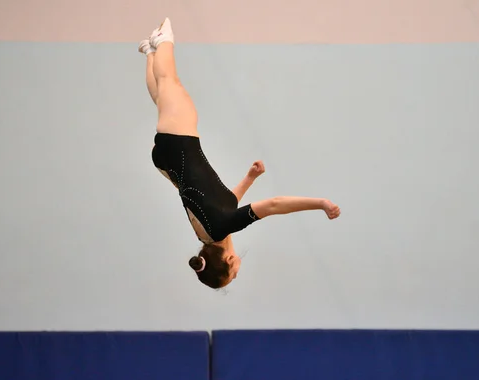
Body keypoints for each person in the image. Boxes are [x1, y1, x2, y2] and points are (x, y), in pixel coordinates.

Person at [138, 18, 341, 289]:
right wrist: (250, 178)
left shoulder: (224, 225)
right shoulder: (208, 233)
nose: (237, 274)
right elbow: (223, 200)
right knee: (162, 98)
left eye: (233, 275)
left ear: (230, 260)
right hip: (167, 160)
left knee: (170, 84)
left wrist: (321, 203)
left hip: (180, 145)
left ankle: (163, 41)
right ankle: (150, 51)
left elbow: (274, 205)